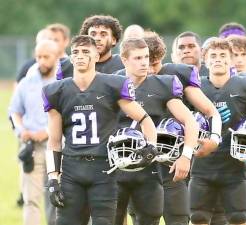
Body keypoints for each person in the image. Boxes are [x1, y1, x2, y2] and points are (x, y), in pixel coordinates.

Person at [43, 35, 157, 225]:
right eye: (76, 52)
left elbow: (145, 119)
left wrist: (151, 145)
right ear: (71, 58)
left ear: (97, 56)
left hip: (103, 169)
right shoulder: (57, 91)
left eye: (86, 52)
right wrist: (53, 179)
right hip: (71, 168)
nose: (80, 56)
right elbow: (53, 142)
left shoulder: (112, 85)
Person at [189, 37, 246, 225]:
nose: (218, 59)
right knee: (198, 217)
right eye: (213, 55)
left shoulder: (244, 86)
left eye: (223, 55)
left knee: (239, 218)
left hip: (234, 167)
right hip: (201, 165)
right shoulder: (194, 88)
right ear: (205, 60)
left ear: (231, 60)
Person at [114, 37, 199, 225]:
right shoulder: (110, 85)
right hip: (119, 167)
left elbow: (190, 120)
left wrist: (186, 155)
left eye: (146, 57)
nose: (144, 62)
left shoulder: (163, 84)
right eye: (137, 58)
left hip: (155, 166)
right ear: (124, 60)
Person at [142, 31, 222, 225]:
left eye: (154, 63)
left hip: (173, 155)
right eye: (145, 61)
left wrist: (214, 138)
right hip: (141, 156)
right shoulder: (124, 78)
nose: (150, 69)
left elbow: (210, 111)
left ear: (161, 57)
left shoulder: (177, 74)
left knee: (177, 215)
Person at [9, 39, 59, 225]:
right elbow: (14, 110)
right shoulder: (26, 82)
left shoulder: (63, 83)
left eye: (46, 56)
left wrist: (47, 132)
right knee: (31, 199)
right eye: (38, 56)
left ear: (56, 57)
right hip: (32, 148)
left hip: (56, 147)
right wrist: (21, 130)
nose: (41, 60)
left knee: (55, 197)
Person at [59, 15, 124, 79]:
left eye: (103, 34)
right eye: (93, 34)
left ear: (113, 40)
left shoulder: (124, 64)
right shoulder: (65, 65)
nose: (97, 38)